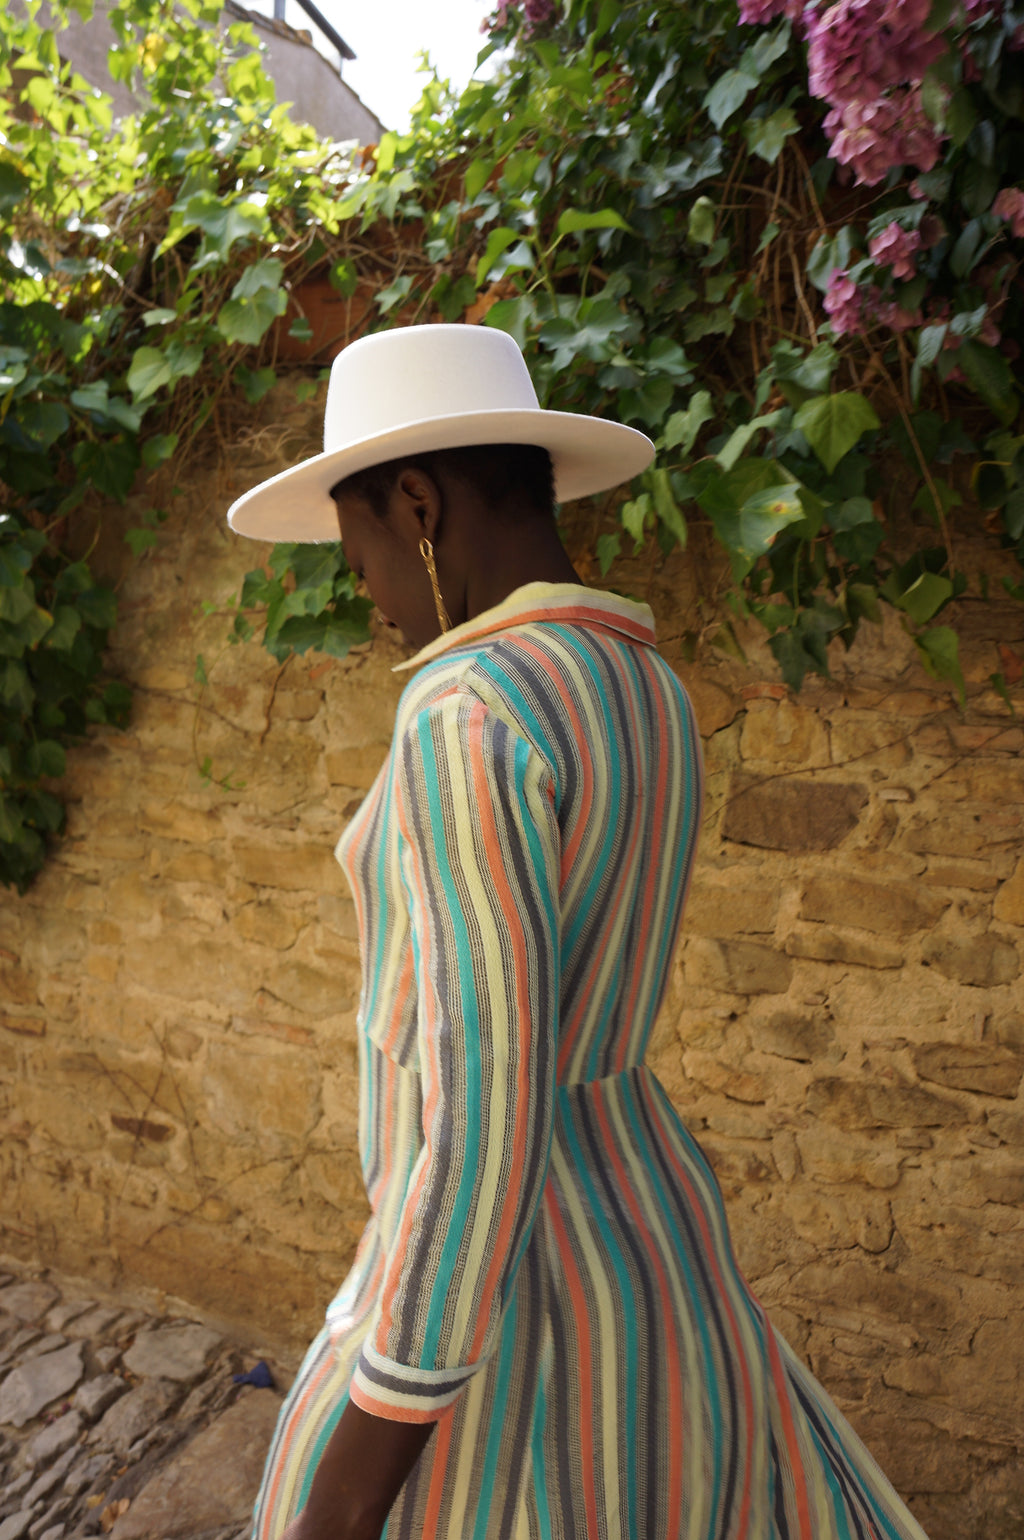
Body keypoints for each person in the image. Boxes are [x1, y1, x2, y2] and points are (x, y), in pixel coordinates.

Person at [227, 324, 928, 1540]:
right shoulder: (639, 680)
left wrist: (349, 1487)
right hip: (655, 1258)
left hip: (507, 1314)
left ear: (415, 503)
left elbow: (481, 1120)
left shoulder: (463, 713)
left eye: (359, 554)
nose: (370, 598)